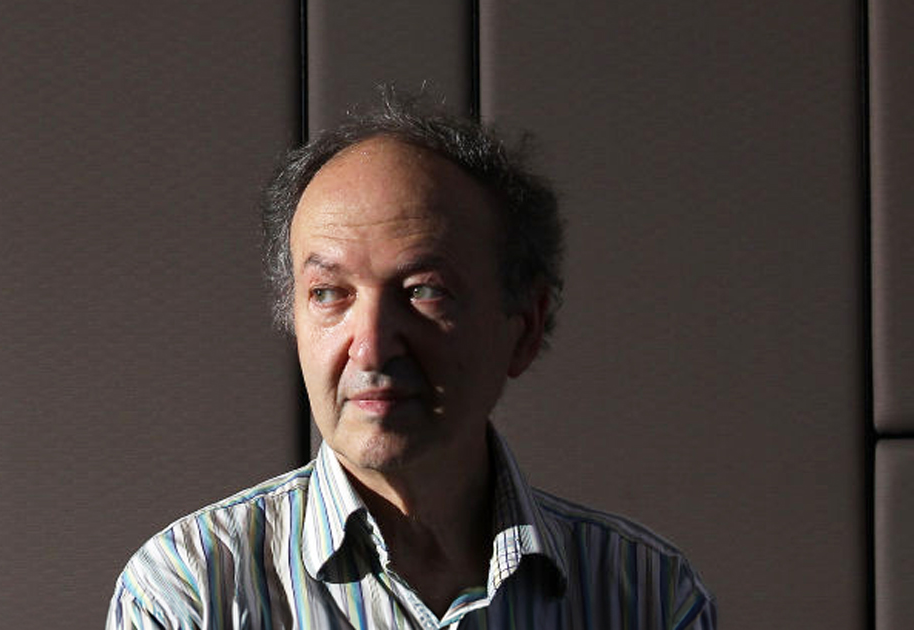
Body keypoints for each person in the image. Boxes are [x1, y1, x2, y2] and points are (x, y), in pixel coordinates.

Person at [107, 93, 716, 629]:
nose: (371, 346)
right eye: (328, 294)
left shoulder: (647, 595)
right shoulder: (191, 593)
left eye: (424, 289)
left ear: (523, 328)